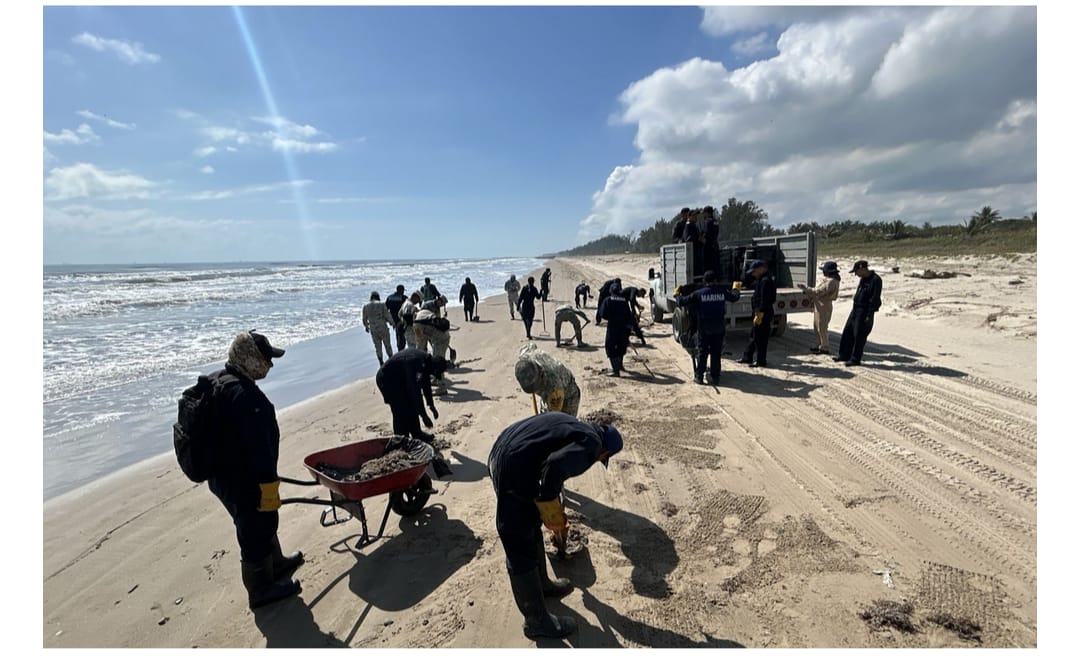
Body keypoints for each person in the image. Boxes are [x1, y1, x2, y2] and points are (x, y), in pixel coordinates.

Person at [487, 412, 623, 640]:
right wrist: (550, 506)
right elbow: (554, 466)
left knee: (531, 523)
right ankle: (536, 621)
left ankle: (542, 584)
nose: (599, 460)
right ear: (605, 452)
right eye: (603, 458)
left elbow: (548, 459)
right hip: (512, 467)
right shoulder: (592, 445)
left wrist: (543, 506)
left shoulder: (576, 425)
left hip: (505, 452)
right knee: (519, 539)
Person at [206, 330, 303, 610]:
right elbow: (262, 452)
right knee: (254, 528)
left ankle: (276, 564)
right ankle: (260, 590)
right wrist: (268, 487)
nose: (269, 365)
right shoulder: (249, 400)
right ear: (249, 358)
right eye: (265, 359)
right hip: (242, 478)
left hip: (222, 474)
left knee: (261, 524)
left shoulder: (219, 380)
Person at [676, 270, 740, 384]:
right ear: (716, 281)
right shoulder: (722, 292)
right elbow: (735, 297)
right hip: (719, 328)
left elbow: (682, 302)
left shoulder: (699, 293)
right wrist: (736, 289)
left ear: (704, 281)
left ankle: (699, 377)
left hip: (704, 329)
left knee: (702, 352)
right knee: (716, 353)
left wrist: (677, 295)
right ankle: (715, 377)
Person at [375, 348, 448, 443]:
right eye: (435, 373)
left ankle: (417, 434)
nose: (433, 375)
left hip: (399, 380)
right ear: (433, 367)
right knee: (400, 410)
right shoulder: (415, 362)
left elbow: (426, 385)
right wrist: (423, 415)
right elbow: (414, 391)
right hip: (386, 380)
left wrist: (431, 405)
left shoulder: (425, 363)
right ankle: (401, 440)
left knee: (411, 405)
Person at [835, 260, 883, 366]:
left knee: (859, 336)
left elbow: (875, 298)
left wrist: (869, 315)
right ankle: (843, 355)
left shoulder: (876, 280)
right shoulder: (863, 279)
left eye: (856, 272)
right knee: (847, 332)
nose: (856, 275)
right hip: (855, 309)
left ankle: (855, 359)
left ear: (862, 269)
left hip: (864, 311)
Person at [515, 342, 581, 417]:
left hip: (569, 395)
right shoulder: (526, 357)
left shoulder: (554, 388)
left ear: (541, 375)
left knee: (564, 424)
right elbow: (531, 345)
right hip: (550, 389)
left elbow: (550, 418)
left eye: (536, 387)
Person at [738, 260, 776, 368]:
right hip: (759, 312)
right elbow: (753, 286)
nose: (753, 274)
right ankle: (747, 357)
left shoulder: (766, 281)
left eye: (754, 272)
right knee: (754, 335)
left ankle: (761, 361)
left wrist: (759, 313)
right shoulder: (761, 279)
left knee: (761, 338)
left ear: (761, 269)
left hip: (763, 313)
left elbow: (765, 300)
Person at [799, 261, 842, 355]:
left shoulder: (831, 282)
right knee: (817, 325)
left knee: (822, 327)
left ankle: (824, 347)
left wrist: (806, 289)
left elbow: (818, 291)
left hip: (824, 305)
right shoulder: (829, 280)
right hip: (820, 304)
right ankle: (819, 344)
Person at [597, 281, 633, 376]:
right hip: (623, 328)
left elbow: (603, 314)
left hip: (613, 327)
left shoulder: (608, 300)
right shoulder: (624, 301)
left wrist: (611, 317)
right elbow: (629, 315)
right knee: (621, 346)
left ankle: (615, 370)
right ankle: (620, 365)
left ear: (611, 291)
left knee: (610, 347)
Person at [362, 291, 395, 366]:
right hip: (382, 327)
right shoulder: (382, 304)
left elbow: (364, 319)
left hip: (373, 329)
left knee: (377, 346)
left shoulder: (366, 306)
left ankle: (381, 361)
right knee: (387, 345)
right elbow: (387, 315)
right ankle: (391, 360)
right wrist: (392, 323)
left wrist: (366, 327)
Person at [414, 296, 452, 362]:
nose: (441, 306)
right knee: (422, 344)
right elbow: (421, 315)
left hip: (418, 325)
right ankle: (432, 361)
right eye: (442, 304)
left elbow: (437, 321)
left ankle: (429, 360)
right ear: (439, 300)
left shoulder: (437, 309)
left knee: (428, 344)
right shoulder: (426, 304)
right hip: (421, 325)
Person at [517, 276, 543, 340]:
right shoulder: (534, 289)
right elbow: (538, 297)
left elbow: (520, 298)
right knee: (530, 320)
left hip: (525, 306)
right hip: (530, 306)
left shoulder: (525, 288)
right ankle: (528, 332)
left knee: (525, 320)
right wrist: (541, 292)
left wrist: (518, 306)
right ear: (533, 282)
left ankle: (528, 332)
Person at [385, 285, 409, 352]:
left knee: (398, 334)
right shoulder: (404, 298)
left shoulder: (389, 298)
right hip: (402, 320)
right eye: (403, 290)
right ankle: (401, 350)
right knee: (402, 335)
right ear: (401, 290)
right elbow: (407, 309)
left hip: (394, 320)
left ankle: (399, 349)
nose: (403, 292)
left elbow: (386, 309)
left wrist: (388, 320)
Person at [682, 210, 704, 279]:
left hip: (697, 253)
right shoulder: (688, 226)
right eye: (694, 216)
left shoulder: (694, 225)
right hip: (692, 254)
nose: (696, 217)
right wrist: (698, 239)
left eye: (696, 216)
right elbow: (687, 239)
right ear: (689, 217)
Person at [702, 206, 720, 274]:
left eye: (704, 213)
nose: (703, 215)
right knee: (715, 266)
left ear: (707, 213)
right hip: (715, 246)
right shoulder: (715, 221)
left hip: (708, 247)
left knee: (708, 267)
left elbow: (706, 234)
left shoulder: (707, 222)